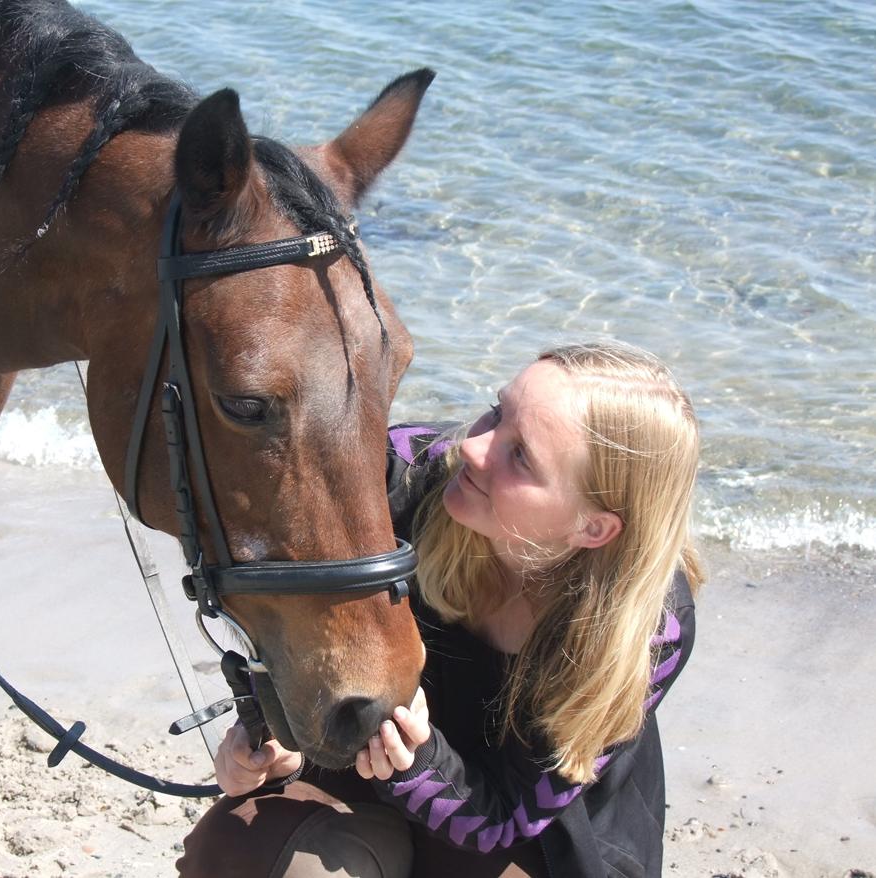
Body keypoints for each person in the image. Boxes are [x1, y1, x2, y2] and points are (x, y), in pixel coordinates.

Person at [177, 340, 704, 878]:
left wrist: (420, 765)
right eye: (498, 411)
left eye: (520, 454)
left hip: (523, 836)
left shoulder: (642, 627)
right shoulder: (401, 476)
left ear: (592, 527)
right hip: (366, 782)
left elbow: (503, 819)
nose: (473, 448)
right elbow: (270, 559)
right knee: (237, 851)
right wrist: (284, 736)